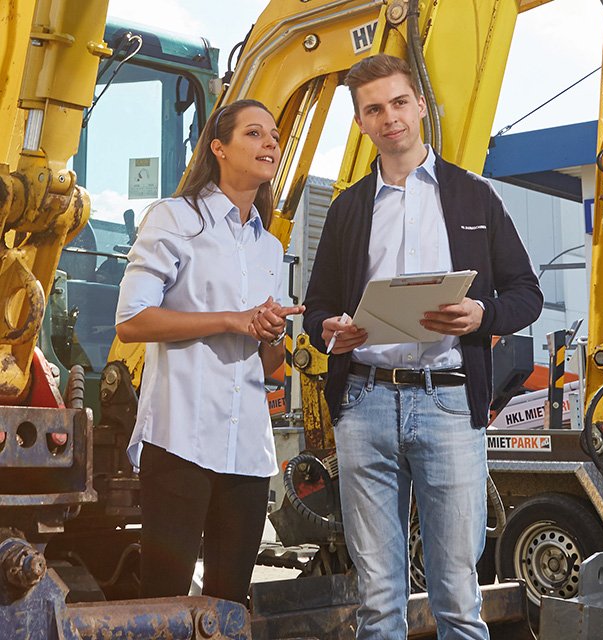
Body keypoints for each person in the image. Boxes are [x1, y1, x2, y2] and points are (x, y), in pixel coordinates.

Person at [303, 54, 543, 639]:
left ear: (420, 107)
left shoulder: (474, 198)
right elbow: (316, 312)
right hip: (365, 404)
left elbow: (526, 294)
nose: (390, 118)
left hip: (449, 407)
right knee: (377, 599)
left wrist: (481, 315)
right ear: (361, 123)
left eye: (399, 103)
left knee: (458, 595)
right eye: (374, 109)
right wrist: (332, 329)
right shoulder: (348, 209)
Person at [115, 99, 304, 604]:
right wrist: (231, 318)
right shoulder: (173, 219)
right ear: (218, 148)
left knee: (228, 608)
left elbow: (270, 367)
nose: (271, 143)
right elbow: (131, 321)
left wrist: (269, 335)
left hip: (247, 448)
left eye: (275, 135)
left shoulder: (269, 246)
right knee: (165, 604)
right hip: (181, 438)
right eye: (254, 133)